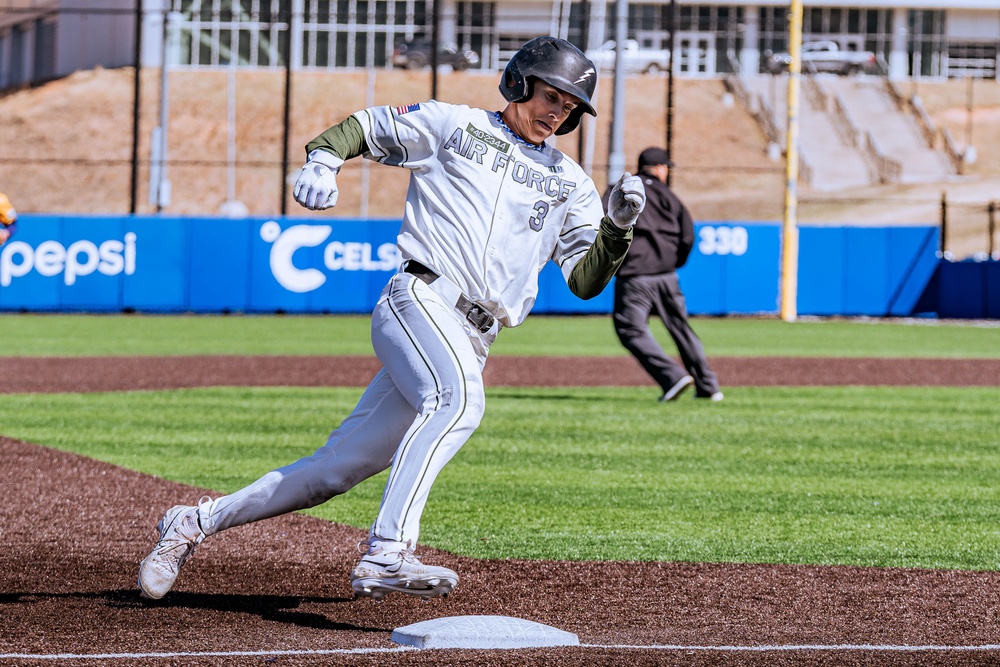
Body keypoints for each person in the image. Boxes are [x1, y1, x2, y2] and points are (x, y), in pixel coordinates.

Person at [138, 36, 645, 602]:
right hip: (421, 297)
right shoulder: (455, 125)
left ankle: (191, 523)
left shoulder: (570, 181)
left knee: (334, 471)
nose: (558, 111)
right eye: (551, 94)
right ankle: (387, 553)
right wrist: (323, 158)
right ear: (520, 82)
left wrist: (618, 229)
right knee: (459, 403)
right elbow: (365, 125)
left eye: (570, 105)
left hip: (476, 335)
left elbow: (584, 280)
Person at [603, 147, 722, 403]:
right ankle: (709, 387)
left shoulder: (620, 189)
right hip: (667, 275)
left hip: (635, 275)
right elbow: (688, 236)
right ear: (659, 168)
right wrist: (673, 262)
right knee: (681, 329)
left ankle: (672, 376)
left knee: (630, 329)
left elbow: (602, 222)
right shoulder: (670, 196)